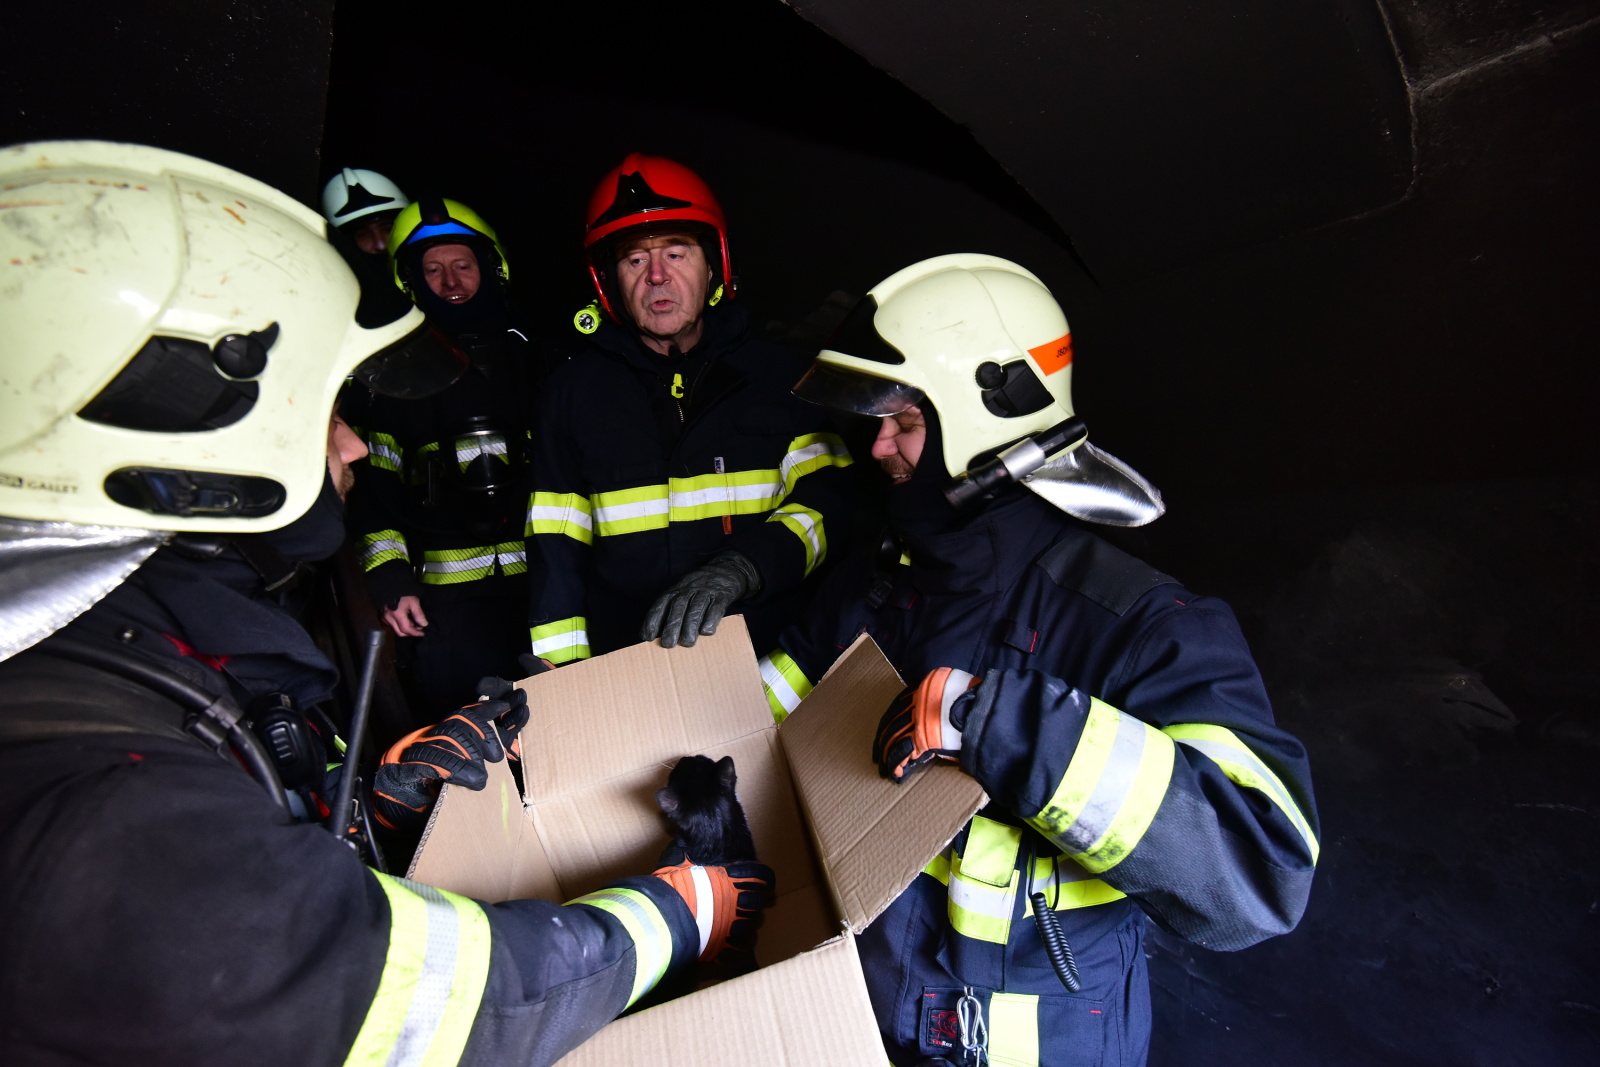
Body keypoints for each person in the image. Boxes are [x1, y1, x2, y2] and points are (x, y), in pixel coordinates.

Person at [0, 140, 771, 1067]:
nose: (353, 445)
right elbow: (409, 1000)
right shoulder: (104, 808)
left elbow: (247, 870)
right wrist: (680, 913)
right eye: (325, 407)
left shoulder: (129, 669)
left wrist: (371, 807)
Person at [762, 254, 1319, 1066]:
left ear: (980, 422)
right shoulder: (877, 586)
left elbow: (1261, 870)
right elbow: (765, 716)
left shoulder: (1138, 626)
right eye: (878, 421)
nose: (878, 445)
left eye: (906, 420)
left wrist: (1004, 723)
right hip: (858, 1025)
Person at [526, 153, 855, 664]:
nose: (657, 276)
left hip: (763, 655)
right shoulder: (571, 393)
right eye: (635, 260)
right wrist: (561, 675)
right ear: (608, 281)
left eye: (677, 253)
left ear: (714, 265)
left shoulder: (779, 378)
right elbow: (555, 547)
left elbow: (829, 503)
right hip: (628, 663)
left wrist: (745, 567)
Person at [346, 196, 542, 713]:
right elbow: (373, 487)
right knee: (464, 737)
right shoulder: (391, 373)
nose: (450, 281)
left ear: (491, 268)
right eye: (433, 270)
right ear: (410, 281)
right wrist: (389, 578)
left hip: (546, 590)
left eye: (462, 265)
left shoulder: (538, 353)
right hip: (447, 604)